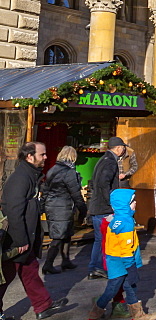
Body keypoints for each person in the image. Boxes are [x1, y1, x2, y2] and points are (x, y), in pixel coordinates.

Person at [0, 142, 68, 320]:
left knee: (29, 270)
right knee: (5, 276)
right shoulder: (20, 178)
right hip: (15, 239)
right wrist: (21, 240)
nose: (45, 157)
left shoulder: (31, 175)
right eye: (42, 154)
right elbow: (14, 211)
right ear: (30, 156)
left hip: (24, 237)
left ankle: (43, 306)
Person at [89, 189, 156, 320]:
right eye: (133, 201)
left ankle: (138, 315)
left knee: (129, 287)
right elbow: (126, 249)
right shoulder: (126, 223)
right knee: (113, 288)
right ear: (125, 205)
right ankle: (95, 313)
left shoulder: (117, 220)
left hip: (115, 260)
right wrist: (131, 268)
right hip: (122, 263)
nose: (135, 203)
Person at [88, 136, 127, 279]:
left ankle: (95, 267)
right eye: (123, 147)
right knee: (103, 239)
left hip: (98, 205)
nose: (124, 150)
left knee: (100, 239)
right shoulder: (110, 161)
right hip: (103, 208)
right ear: (118, 148)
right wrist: (112, 203)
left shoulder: (103, 160)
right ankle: (98, 267)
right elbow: (105, 184)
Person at [43, 145, 86, 273]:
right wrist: (83, 210)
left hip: (52, 205)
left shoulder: (52, 170)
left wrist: (42, 206)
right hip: (62, 207)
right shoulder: (69, 172)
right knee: (59, 236)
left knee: (66, 234)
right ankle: (48, 264)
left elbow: (45, 189)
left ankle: (66, 260)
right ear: (73, 157)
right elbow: (75, 193)